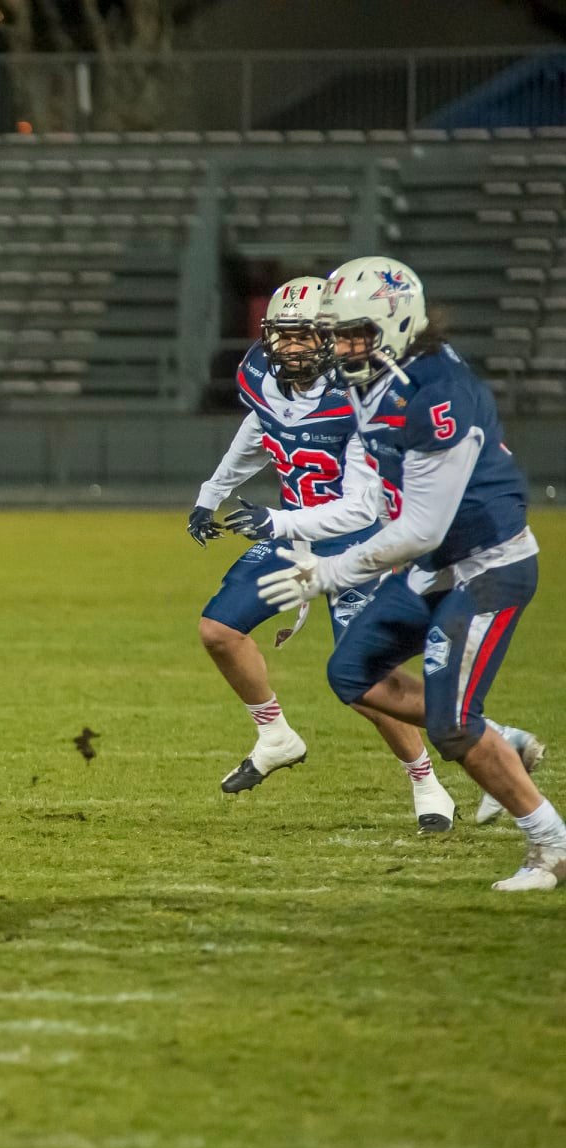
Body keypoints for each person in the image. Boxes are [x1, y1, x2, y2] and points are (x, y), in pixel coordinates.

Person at [258, 257, 555, 889]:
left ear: (395, 323)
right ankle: (508, 747)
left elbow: (423, 526)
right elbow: (369, 500)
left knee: (452, 725)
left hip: (486, 566)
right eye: (334, 334)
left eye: (351, 333)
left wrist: (329, 573)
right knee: (351, 672)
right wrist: (291, 527)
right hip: (434, 567)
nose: (339, 347)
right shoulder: (378, 380)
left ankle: (549, 845)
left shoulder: (436, 392)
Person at [192, 276, 468, 831]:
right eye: (282, 335)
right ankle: (275, 734)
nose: (290, 347)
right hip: (293, 538)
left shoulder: (362, 395)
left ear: (333, 336)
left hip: (358, 546)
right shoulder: (261, 378)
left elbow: (364, 508)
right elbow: (260, 428)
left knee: (365, 686)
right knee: (218, 631)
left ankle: (426, 782)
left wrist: (276, 519)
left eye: (304, 335)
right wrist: (210, 495)